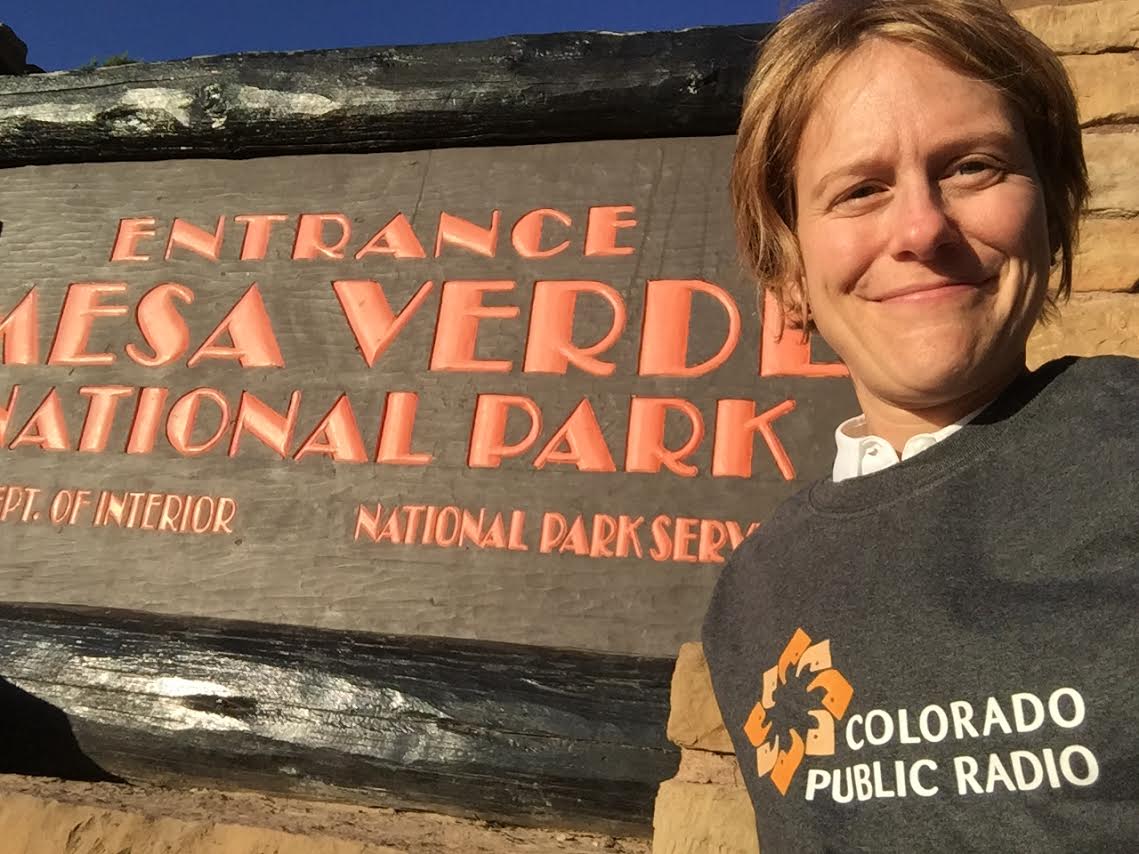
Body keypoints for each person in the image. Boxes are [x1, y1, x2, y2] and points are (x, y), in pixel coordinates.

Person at [701, 0, 1138, 851]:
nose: (921, 228)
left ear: (1052, 208)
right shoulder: (752, 597)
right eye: (859, 190)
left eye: (972, 167)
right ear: (787, 265)